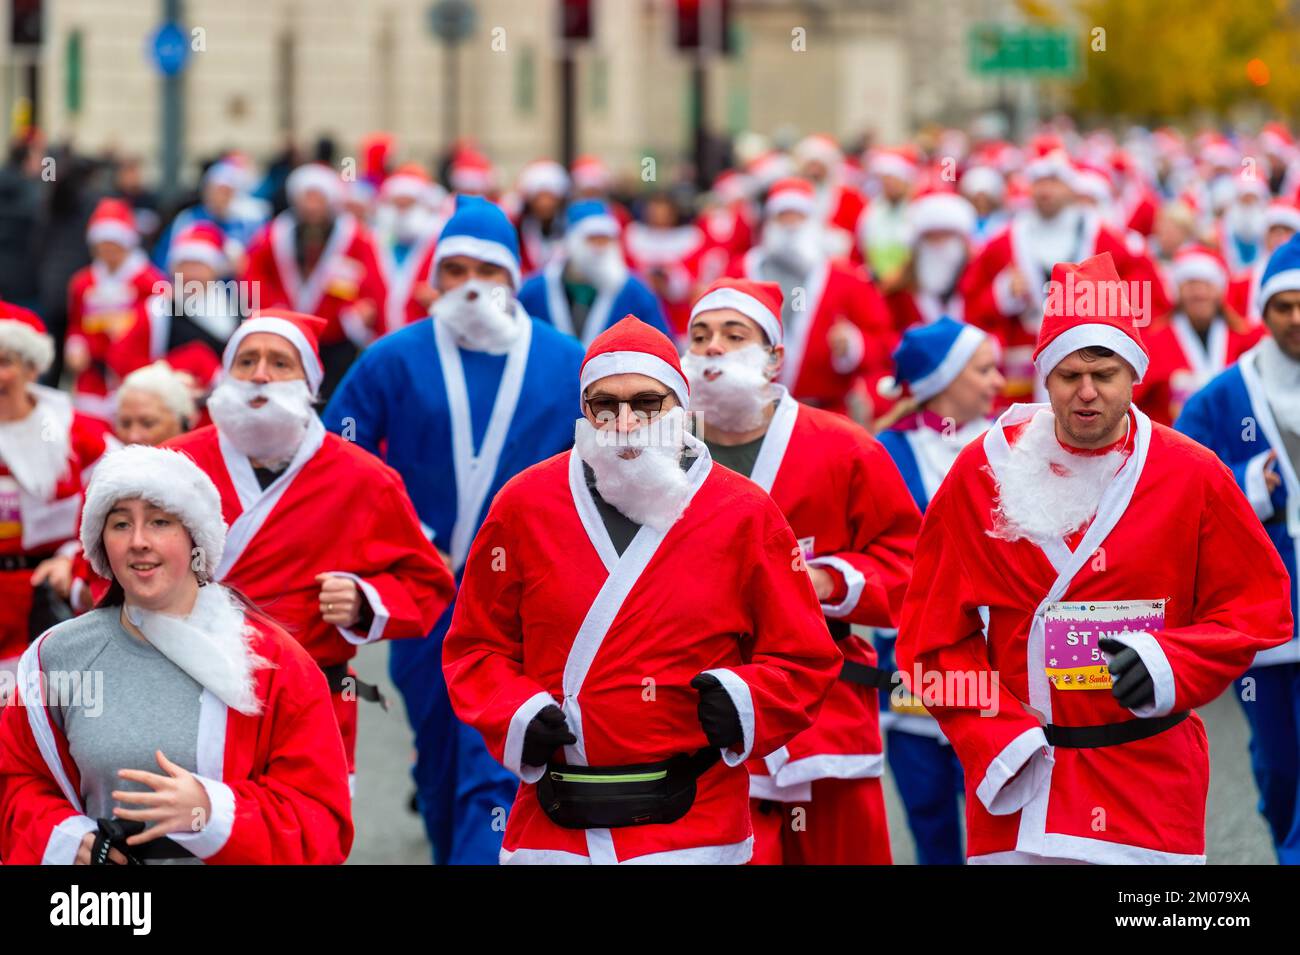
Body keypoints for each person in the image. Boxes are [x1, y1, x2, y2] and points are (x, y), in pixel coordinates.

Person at [897, 252, 1292, 864]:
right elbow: (928, 640)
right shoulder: (980, 473)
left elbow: (1260, 609)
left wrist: (1170, 662)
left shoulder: (1192, 474)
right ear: (1043, 378)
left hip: (1151, 784)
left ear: (1133, 375)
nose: (1086, 393)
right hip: (1024, 790)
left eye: (1104, 373)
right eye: (1068, 374)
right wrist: (993, 734)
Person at [442, 316, 841, 864]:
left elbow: (804, 656)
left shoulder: (745, 512)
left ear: (681, 407)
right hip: (556, 819)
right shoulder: (523, 505)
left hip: (696, 821)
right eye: (605, 404)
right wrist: (516, 711)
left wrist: (746, 698)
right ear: (584, 412)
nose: (625, 422)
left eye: (648, 404)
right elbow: (475, 646)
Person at [324, 195, 585, 864]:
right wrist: (393, 535)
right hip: (425, 595)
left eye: (488, 271)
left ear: (514, 276)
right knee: (439, 763)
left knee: (495, 764)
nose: (471, 286)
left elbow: (601, 469)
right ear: (435, 277)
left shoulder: (566, 361)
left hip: (526, 599)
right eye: (455, 269)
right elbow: (334, 456)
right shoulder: (394, 357)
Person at [0, 444, 353, 864]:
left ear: (195, 538)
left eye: (160, 521)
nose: (138, 542)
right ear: (100, 542)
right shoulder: (56, 656)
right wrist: (69, 839)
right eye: (119, 524)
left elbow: (321, 820)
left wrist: (210, 811)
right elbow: (17, 781)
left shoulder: (272, 663)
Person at [682, 278, 919, 864]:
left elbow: (913, 565)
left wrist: (829, 582)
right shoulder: (660, 452)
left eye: (734, 335)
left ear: (774, 357)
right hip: (697, 715)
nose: (713, 346)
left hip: (824, 714)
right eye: (700, 334)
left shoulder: (844, 447)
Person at [167, 309, 455, 788]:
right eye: (247, 361)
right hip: (187, 692)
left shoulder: (365, 480)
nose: (260, 373)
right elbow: (115, 564)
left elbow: (428, 581)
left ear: (310, 383)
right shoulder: (175, 463)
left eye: (281, 363)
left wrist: (366, 601)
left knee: (304, 841)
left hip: (310, 696)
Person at [1176, 233, 1300, 864]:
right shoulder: (1224, 396)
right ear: (1263, 311)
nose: (1298, 318)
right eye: (1284, 306)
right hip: (1266, 619)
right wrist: (1248, 486)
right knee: (1280, 765)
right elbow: (1172, 486)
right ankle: (1283, 834)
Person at [874, 317, 1004, 864]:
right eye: (983, 370)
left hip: (995, 670)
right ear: (944, 381)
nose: (999, 381)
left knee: (998, 827)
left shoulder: (1012, 442)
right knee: (931, 825)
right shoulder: (883, 453)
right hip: (911, 675)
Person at [961, 147, 1171, 402]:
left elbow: (1148, 304)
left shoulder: (1106, 239)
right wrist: (1002, 294)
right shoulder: (1002, 242)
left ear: (1071, 187)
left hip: (1090, 370)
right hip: (1020, 380)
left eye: (1055, 181)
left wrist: (1104, 306)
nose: (1046, 190)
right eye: (1039, 182)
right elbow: (970, 307)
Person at [0, 303, 110, 679]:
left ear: (32, 368)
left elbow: (116, 507)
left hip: (49, 600)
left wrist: (70, 559)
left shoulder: (78, 432)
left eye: (4, 362)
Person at [728, 177, 895, 418]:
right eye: (782, 215)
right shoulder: (741, 271)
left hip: (824, 413)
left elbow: (884, 342)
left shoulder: (845, 277)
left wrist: (854, 344)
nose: (790, 225)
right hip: (751, 414)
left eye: (798, 216)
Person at [240, 163, 387, 399]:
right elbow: (252, 272)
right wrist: (271, 308)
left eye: (317, 198)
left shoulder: (354, 237)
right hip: (288, 332)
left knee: (334, 394)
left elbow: (372, 281)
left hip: (337, 336)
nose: (312, 206)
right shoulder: (276, 234)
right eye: (306, 198)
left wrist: (360, 310)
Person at [1135, 246, 1263, 426]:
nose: (1199, 293)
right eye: (1191, 285)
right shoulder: (1153, 342)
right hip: (1173, 444)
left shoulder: (1245, 337)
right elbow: (1132, 399)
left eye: (1206, 285)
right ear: (1178, 291)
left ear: (1219, 291)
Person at [65, 199, 167, 422]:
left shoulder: (148, 281)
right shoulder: (83, 282)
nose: (108, 249)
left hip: (134, 375)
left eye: (114, 243)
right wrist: (75, 346)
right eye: (102, 243)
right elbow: (76, 324)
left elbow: (160, 332)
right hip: (92, 378)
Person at [518, 199, 670, 345]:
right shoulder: (535, 291)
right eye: (592, 238)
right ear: (572, 241)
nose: (600, 248)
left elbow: (663, 342)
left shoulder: (636, 293)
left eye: (606, 239)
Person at [885, 192, 978, 334]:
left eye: (946, 235)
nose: (939, 244)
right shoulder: (899, 293)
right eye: (932, 237)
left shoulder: (977, 282)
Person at [371, 164, 444, 334]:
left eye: (408, 205)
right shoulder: (375, 241)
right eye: (397, 205)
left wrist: (442, 298)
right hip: (381, 339)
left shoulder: (439, 241)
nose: (401, 213)